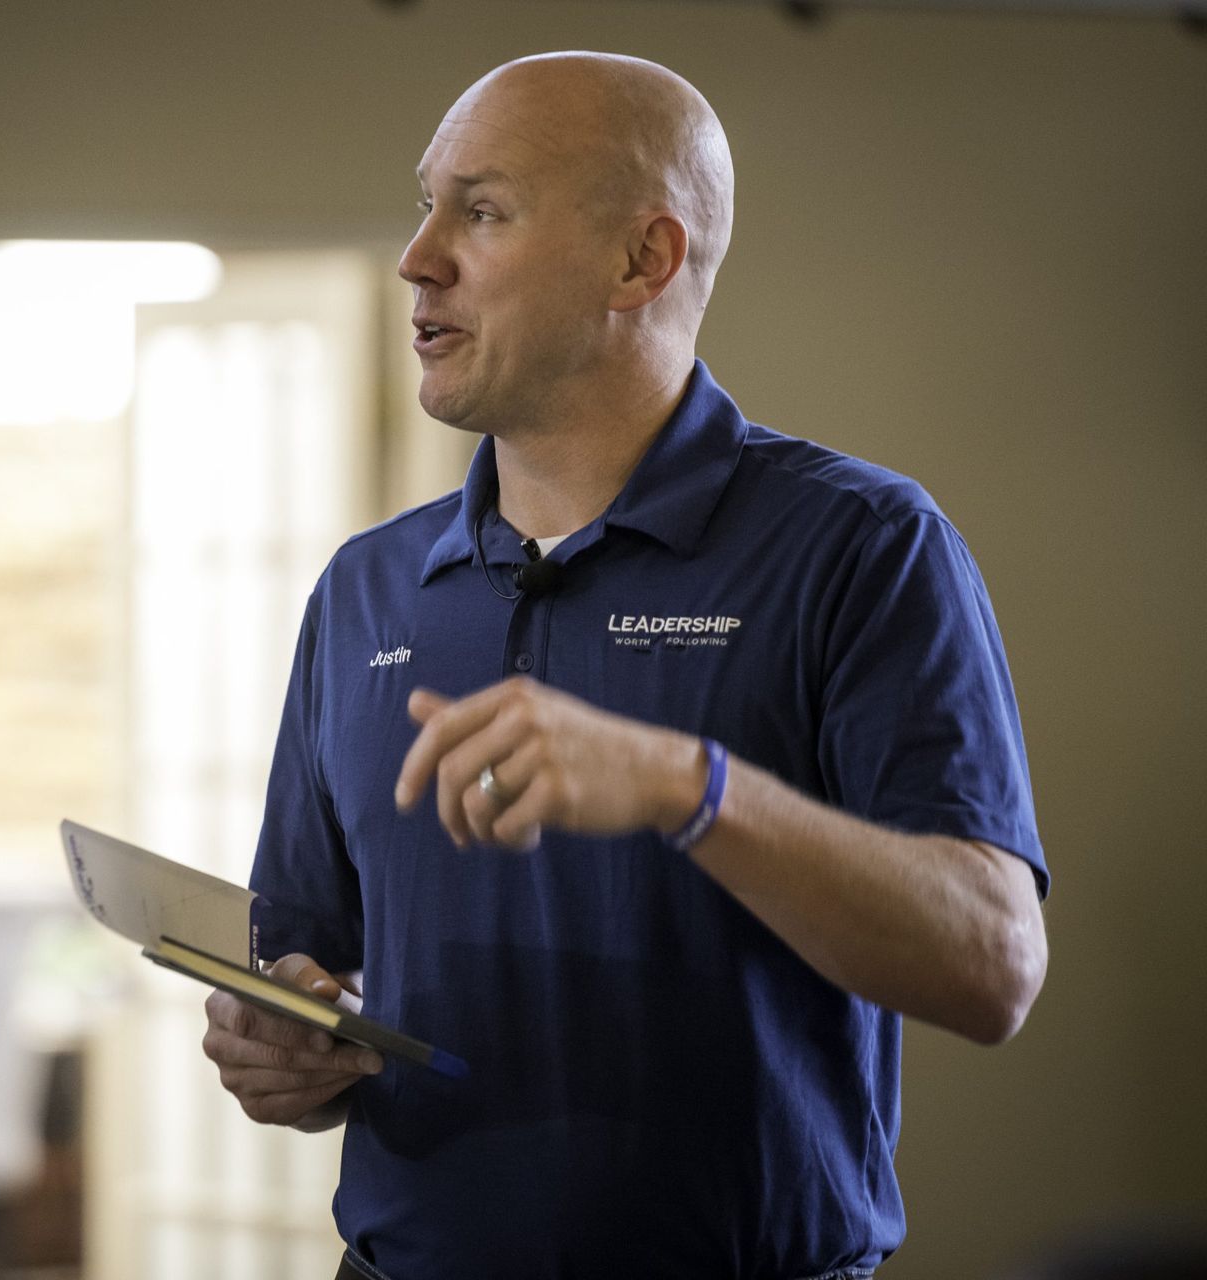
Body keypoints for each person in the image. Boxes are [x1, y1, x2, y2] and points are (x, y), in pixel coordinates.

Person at [198, 50, 1050, 1280]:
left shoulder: (863, 547)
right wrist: (285, 1047)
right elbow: (312, 965)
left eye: (482, 211)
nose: (418, 257)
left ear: (642, 261)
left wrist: (684, 786)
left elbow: (994, 965)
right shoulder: (362, 590)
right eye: (427, 204)